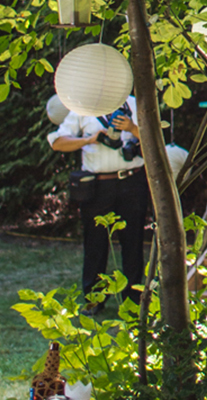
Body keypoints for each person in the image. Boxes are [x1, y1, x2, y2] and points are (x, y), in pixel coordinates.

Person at [49, 97, 152, 298]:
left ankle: (133, 300)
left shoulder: (134, 103)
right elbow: (58, 143)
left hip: (131, 181)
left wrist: (131, 128)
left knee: (133, 242)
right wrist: (88, 140)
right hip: (98, 185)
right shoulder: (82, 107)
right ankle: (93, 300)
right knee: (95, 244)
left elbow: (156, 139)